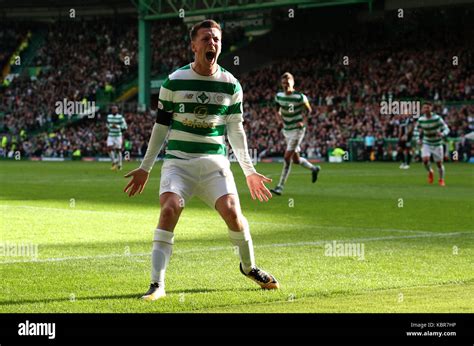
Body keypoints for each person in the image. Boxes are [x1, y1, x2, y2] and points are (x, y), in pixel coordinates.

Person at [123, 19, 279, 301]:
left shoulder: (231, 85)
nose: (212, 44)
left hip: (213, 163)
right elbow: (161, 127)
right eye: (206, 39)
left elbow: (236, 130)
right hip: (178, 162)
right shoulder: (174, 81)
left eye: (216, 39)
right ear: (193, 45)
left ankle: (249, 266)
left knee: (233, 213)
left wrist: (250, 171)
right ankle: (157, 285)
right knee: (170, 208)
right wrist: (145, 167)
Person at [270, 72, 320, 196]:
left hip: (297, 131)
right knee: (296, 160)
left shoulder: (300, 97)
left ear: (293, 83)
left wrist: (303, 122)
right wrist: (279, 120)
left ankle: (280, 186)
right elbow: (276, 110)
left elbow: (309, 111)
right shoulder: (279, 96)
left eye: (287, 83)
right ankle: (314, 169)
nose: (285, 85)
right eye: (283, 83)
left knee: (287, 158)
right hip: (286, 130)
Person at [414, 102, 450, 186]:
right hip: (426, 142)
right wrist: (417, 139)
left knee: (439, 163)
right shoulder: (421, 120)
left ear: (431, 108)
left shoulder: (437, 118)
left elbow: (446, 128)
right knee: (425, 160)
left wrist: (442, 134)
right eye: (424, 108)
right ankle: (430, 171)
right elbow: (416, 130)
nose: (426, 109)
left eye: (428, 107)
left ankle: (441, 179)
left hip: (437, 143)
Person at [106, 105, 127, 170]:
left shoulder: (120, 117)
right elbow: (107, 125)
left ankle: (120, 164)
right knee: (109, 148)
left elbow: (125, 127)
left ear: (117, 110)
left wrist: (117, 126)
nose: (114, 110)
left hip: (118, 135)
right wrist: (110, 127)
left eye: (115, 109)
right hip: (111, 135)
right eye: (113, 109)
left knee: (118, 150)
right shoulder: (109, 116)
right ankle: (114, 162)